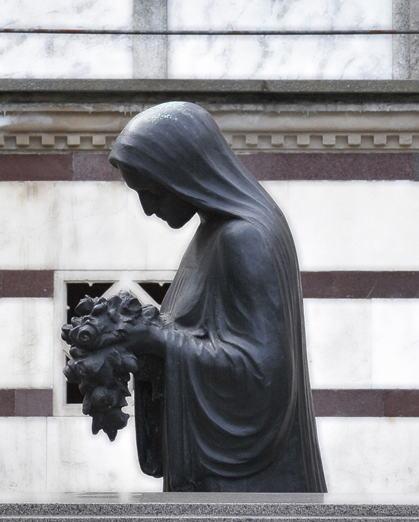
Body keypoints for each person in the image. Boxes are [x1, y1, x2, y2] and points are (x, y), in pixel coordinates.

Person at [108, 101, 325, 493]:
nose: (147, 207)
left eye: (152, 190)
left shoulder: (244, 238)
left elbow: (263, 374)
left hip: (248, 495)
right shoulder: (212, 233)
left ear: (184, 173)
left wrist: (158, 340)